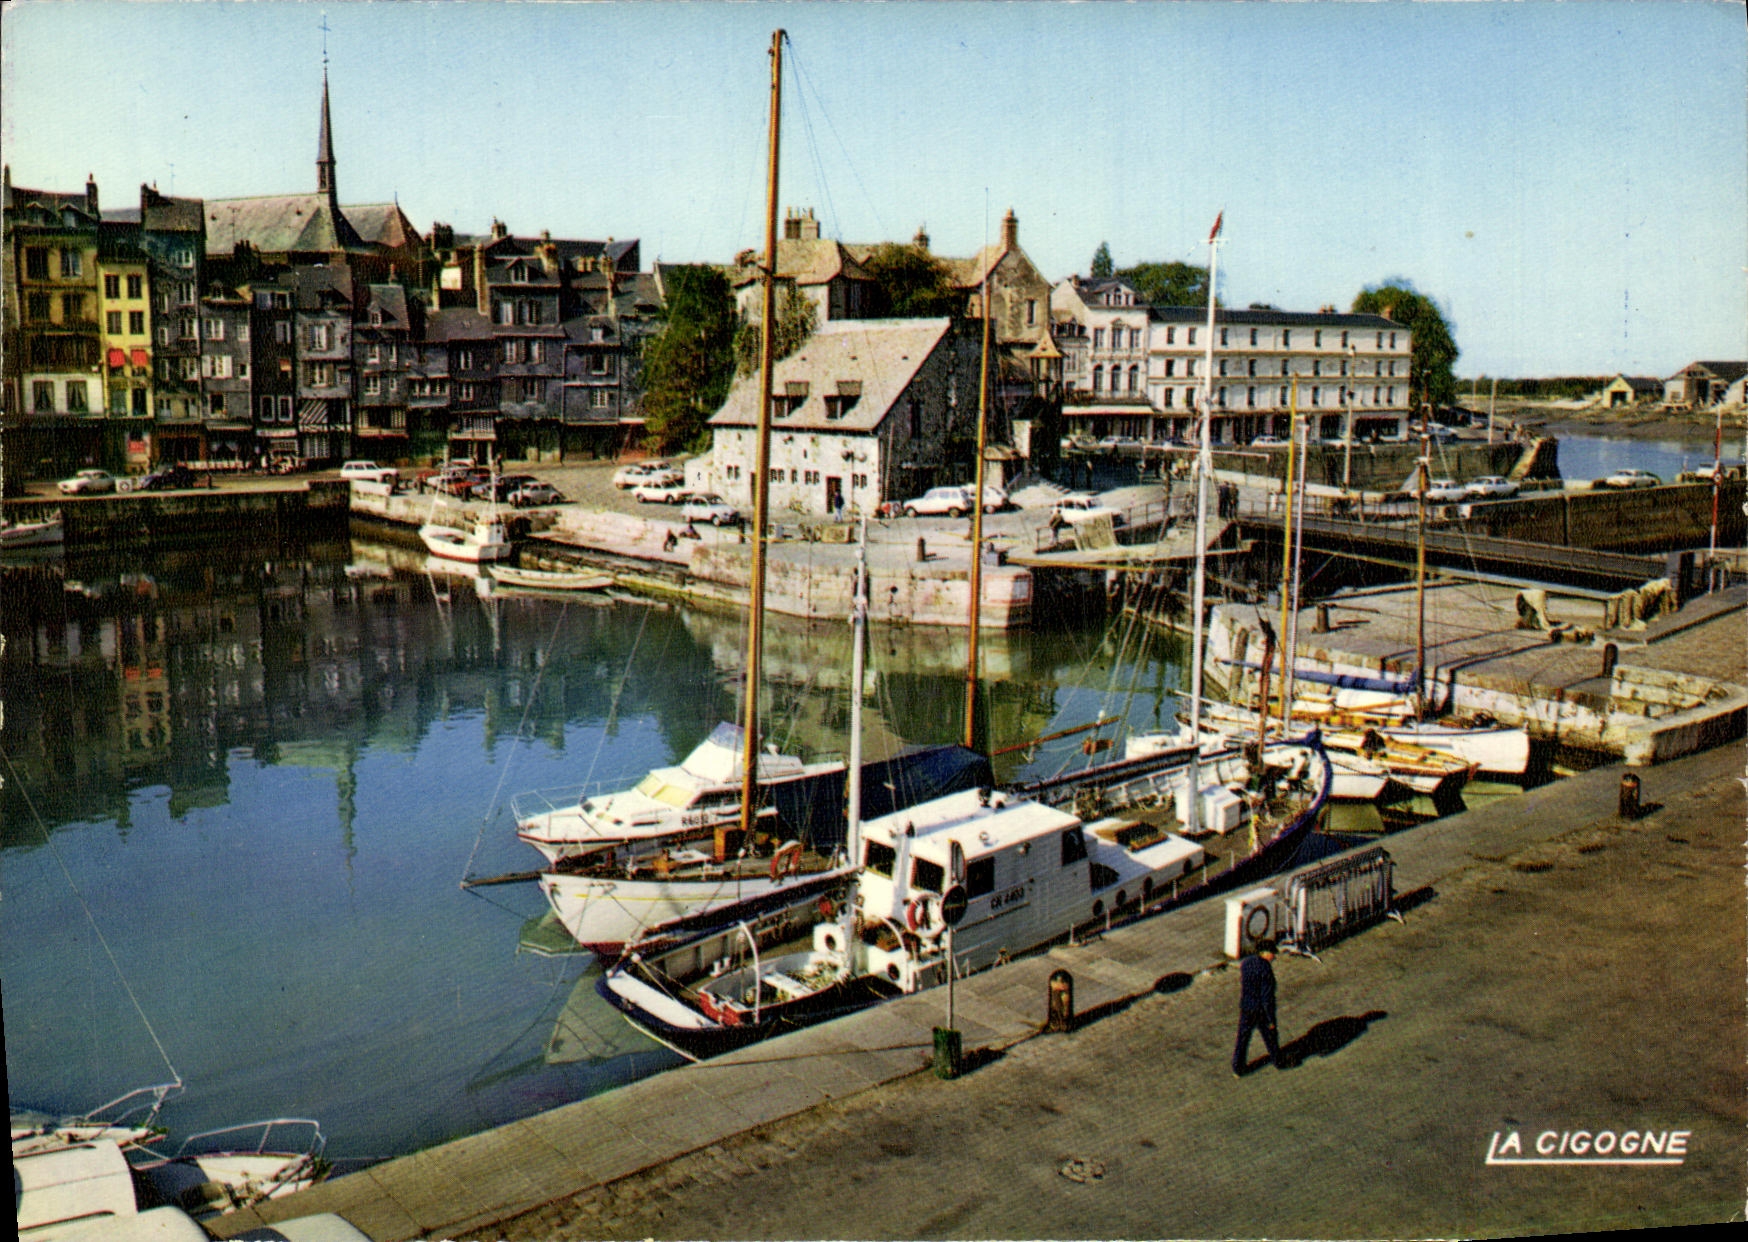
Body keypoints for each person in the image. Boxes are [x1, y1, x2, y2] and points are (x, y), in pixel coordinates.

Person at [1232, 938, 1284, 1075]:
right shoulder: (1265, 969)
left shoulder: (1246, 963)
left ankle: (1238, 1067)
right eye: (1272, 953)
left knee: (1243, 1038)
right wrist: (1271, 1019)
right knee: (1270, 1035)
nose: (1274, 956)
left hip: (1246, 1007)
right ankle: (1278, 1061)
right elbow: (1267, 997)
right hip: (1260, 1010)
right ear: (1264, 953)